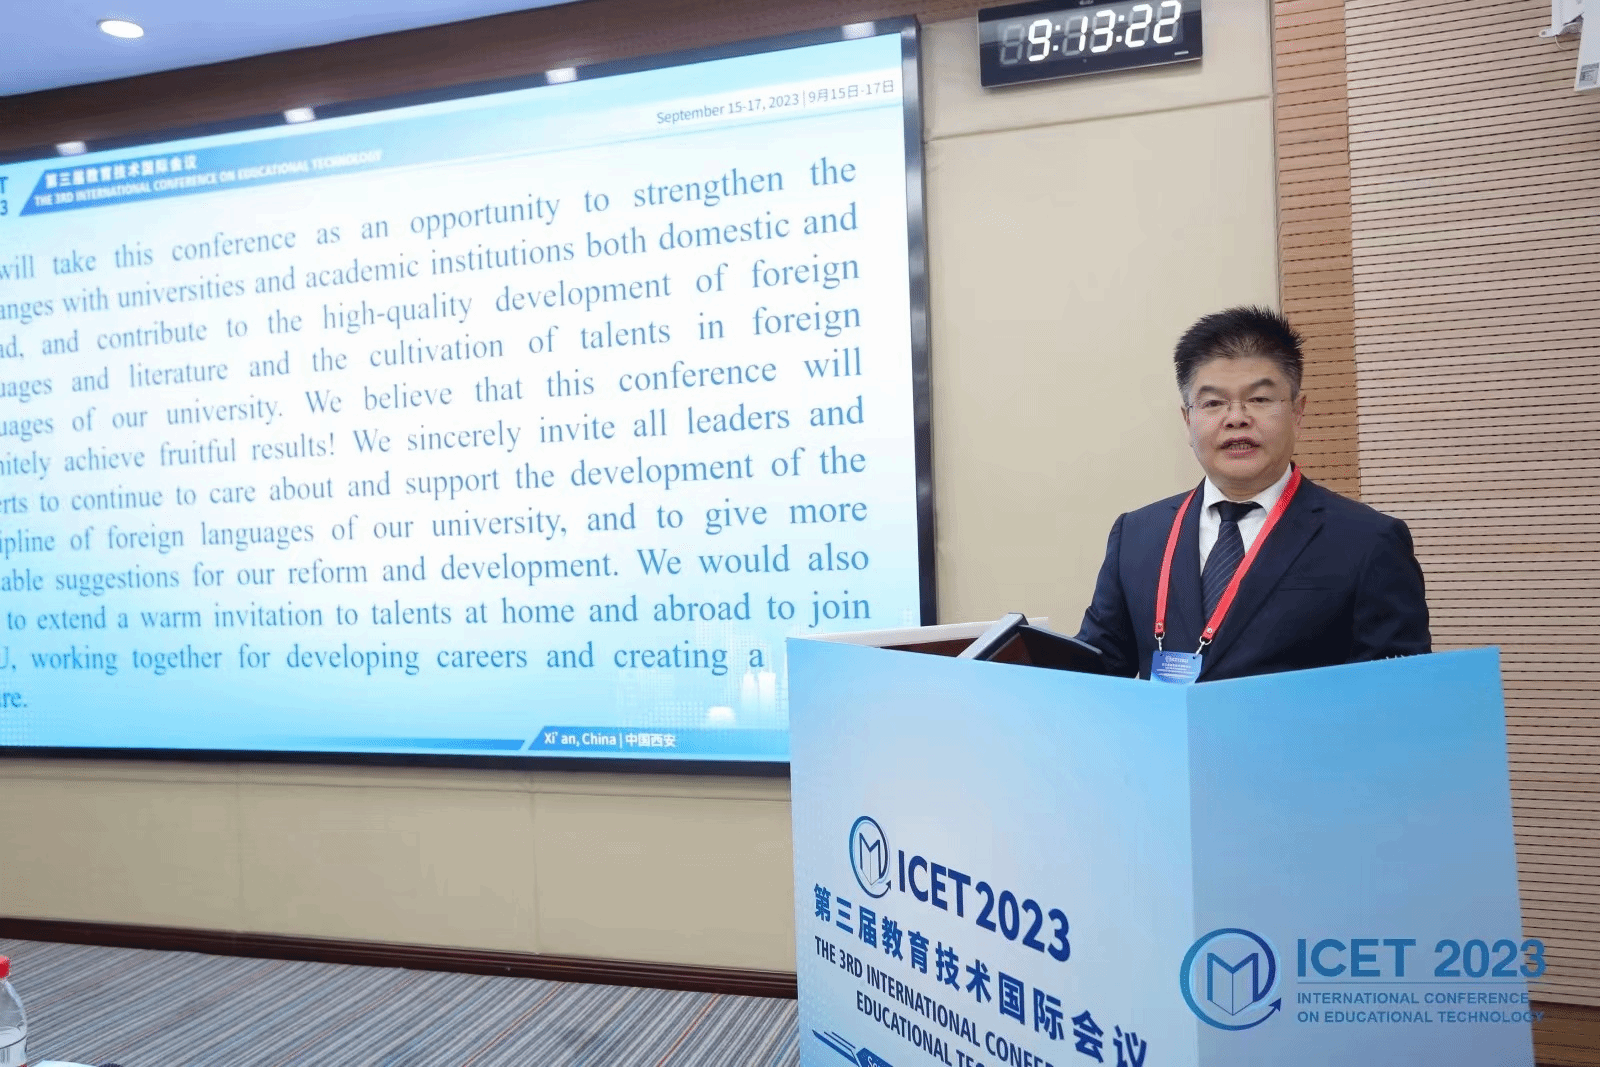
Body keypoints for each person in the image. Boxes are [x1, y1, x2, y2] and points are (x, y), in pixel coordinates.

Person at [1075, 306, 1430, 682]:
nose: (1236, 418)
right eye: (1213, 403)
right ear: (1188, 420)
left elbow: (1397, 694)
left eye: (1259, 399)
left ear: (1297, 412)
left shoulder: (1368, 541)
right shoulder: (1137, 534)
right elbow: (1094, 674)